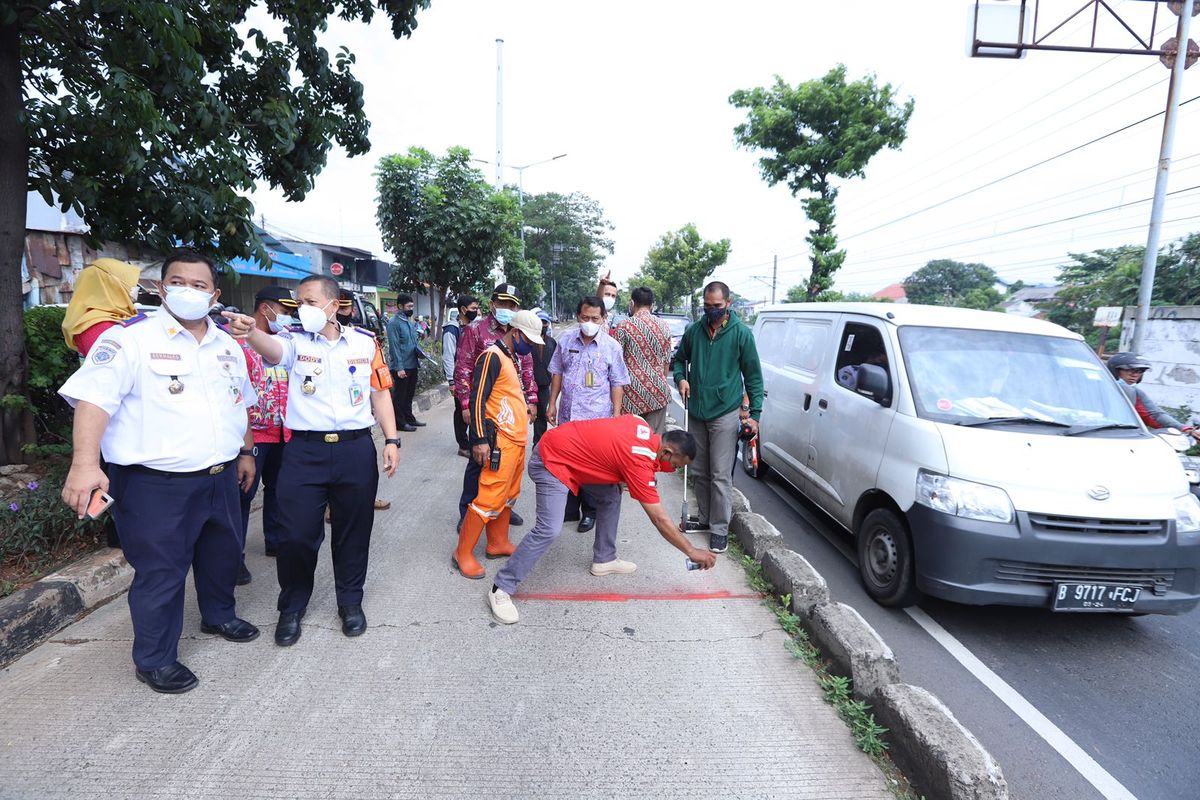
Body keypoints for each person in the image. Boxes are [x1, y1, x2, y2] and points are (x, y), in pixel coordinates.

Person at [58, 249, 259, 694]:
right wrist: (85, 464)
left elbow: (239, 404)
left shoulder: (228, 344)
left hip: (220, 475)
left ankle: (219, 615)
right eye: (178, 282)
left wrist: (247, 453)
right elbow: (93, 401)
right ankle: (154, 659)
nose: (188, 290)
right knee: (162, 572)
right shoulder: (129, 338)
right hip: (154, 485)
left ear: (215, 294)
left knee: (222, 553)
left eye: (199, 284)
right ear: (161, 287)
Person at [225, 274, 400, 647]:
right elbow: (271, 350)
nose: (301, 309)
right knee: (296, 535)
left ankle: (350, 603)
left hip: (354, 450)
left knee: (354, 531)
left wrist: (392, 438)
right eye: (298, 302)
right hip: (304, 452)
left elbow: (380, 394)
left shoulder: (365, 344)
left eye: (309, 301)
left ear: (333, 306)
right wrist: (250, 332)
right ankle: (291, 608)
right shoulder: (292, 341)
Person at [486, 416, 717, 624]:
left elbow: (611, 444)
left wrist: (620, 475)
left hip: (571, 453)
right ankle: (501, 587)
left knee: (611, 496)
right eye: (675, 465)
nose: (671, 470)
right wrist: (690, 550)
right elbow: (660, 519)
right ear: (666, 452)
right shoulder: (639, 460)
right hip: (551, 460)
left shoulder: (641, 426)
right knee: (549, 529)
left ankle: (604, 559)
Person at [672, 281, 764, 553]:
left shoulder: (741, 335)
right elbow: (679, 360)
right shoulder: (695, 331)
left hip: (725, 411)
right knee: (699, 471)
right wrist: (680, 379)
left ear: (728, 305)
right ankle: (703, 518)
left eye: (717, 306)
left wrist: (754, 414)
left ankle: (720, 529)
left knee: (720, 474)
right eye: (707, 306)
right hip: (697, 409)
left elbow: (754, 377)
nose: (711, 311)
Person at [452, 310, 544, 578]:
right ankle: (463, 552)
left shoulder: (511, 356)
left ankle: (497, 543)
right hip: (499, 442)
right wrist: (479, 439)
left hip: (515, 441)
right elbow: (478, 399)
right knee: (488, 497)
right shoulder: (492, 356)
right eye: (529, 340)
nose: (531, 346)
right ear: (516, 333)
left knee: (508, 495)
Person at [454, 283, 538, 529]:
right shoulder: (476, 331)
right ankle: (468, 512)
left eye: (512, 305)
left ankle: (502, 508)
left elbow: (527, 368)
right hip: (486, 412)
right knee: (479, 460)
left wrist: (531, 399)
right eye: (502, 303)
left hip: (513, 413)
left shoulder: (519, 330)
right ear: (492, 304)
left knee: (507, 464)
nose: (507, 308)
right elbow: (464, 369)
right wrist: (466, 405)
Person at [548, 296, 630, 533]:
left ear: (603, 319)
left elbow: (617, 383)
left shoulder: (611, 346)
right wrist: (552, 403)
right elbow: (557, 373)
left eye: (595, 318)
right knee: (568, 463)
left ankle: (590, 512)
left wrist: (615, 415)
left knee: (592, 468)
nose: (590, 322)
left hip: (597, 419)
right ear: (578, 316)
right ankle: (570, 508)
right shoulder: (566, 341)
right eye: (585, 317)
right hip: (568, 416)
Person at [235, 286, 298, 584]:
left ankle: (274, 540)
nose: (287, 318)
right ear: (265, 310)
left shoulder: (287, 342)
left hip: (284, 432)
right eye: (284, 312)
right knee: (242, 496)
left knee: (277, 491)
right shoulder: (237, 341)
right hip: (252, 435)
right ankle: (234, 557)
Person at [613, 286, 673, 434]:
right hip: (657, 393)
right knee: (653, 440)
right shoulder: (664, 327)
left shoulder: (624, 327)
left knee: (630, 440)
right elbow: (666, 363)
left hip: (629, 394)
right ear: (652, 305)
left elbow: (615, 363)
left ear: (632, 303)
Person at [1108, 352, 1200, 441]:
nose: (1135, 374)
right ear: (1115, 370)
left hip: (1119, 436)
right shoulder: (1097, 387)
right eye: (1129, 370)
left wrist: (1184, 429)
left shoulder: (1133, 392)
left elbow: (1155, 415)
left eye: (1140, 371)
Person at [62, 258, 143, 357]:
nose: (135, 290)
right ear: (113, 286)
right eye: (132, 285)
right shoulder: (97, 327)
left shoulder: (115, 317)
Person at [443, 294, 480, 458]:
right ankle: (463, 445)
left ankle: (472, 441)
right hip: (460, 379)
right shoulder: (452, 329)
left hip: (474, 378)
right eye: (473, 309)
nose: (476, 311)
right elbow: (449, 357)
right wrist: (452, 381)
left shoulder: (474, 327)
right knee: (461, 411)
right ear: (463, 310)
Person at [387, 293, 422, 431]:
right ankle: (400, 423)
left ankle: (409, 419)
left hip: (412, 364)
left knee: (409, 395)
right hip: (401, 367)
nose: (411, 309)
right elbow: (394, 347)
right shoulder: (394, 323)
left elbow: (413, 343)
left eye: (412, 306)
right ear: (400, 306)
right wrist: (399, 368)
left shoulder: (409, 321)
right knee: (400, 397)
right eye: (408, 306)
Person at [532, 310, 558, 444]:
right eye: (540, 322)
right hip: (528, 385)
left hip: (543, 386)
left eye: (544, 322)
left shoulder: (552, 342)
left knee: (541, 416)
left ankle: (538, 444)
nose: (542, 325)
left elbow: (557, 366)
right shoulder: (528, 340)